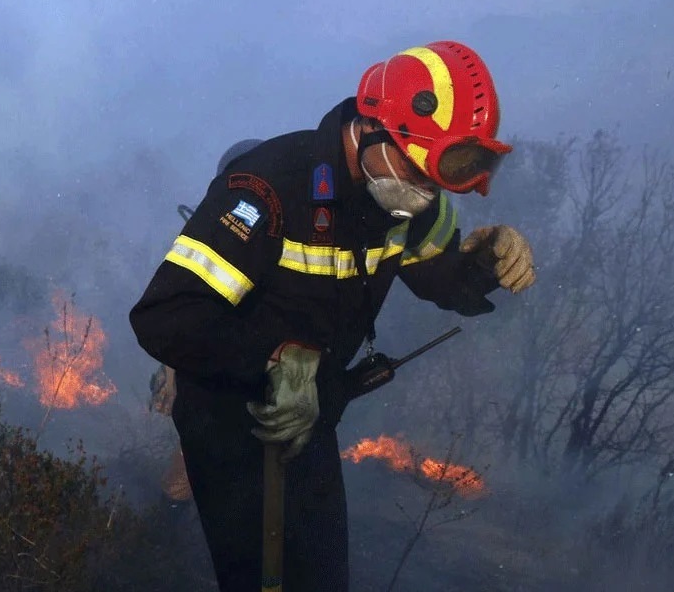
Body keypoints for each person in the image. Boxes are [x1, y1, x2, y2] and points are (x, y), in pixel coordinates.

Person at [130, 40, 535, 591]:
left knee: (320, 580)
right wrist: (268, 361)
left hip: (314, 414)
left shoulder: (405, 202)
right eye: (418, 176)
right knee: (259, 581)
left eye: (436, 181)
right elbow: (165, 315)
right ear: (371, 128)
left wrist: (485, 262)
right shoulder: (268, 189)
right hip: (225, 420)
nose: (424, 195)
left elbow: (445, 282)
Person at [153, 138, 266, 504]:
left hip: (251, 391)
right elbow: (183, 312)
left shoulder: (281, 240)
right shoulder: (212, 239)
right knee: (186, 485)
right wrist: (170, 378)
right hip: (216, 386)